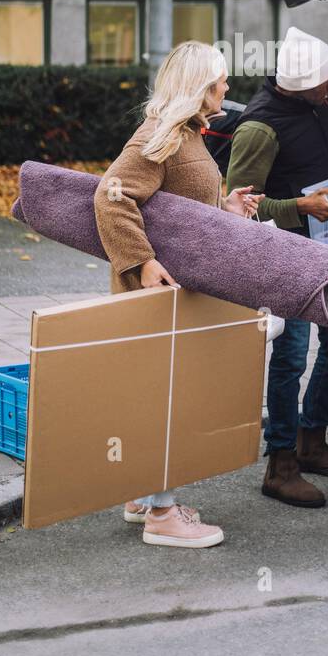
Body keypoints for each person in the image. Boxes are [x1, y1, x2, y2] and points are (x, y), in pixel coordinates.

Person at [93, 41, 262, 549]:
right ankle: (164, 516)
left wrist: (223, 206)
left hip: (177, 292)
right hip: (160, 292)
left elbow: (175, 206)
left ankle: (143, 496)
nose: (228, 88)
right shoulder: (161, 134)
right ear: (201, 86)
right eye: (222, 80)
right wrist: (141, 263)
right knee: (170, 399)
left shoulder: (186, 134)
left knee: (157, 394)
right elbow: (111, 196)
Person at [226, 26, 328, 510]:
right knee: (292, 357)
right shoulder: (259, 129)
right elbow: (242, 208)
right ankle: (280, 465)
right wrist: (302, 206)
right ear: (299, 86)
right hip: (286, 254)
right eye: (325, 84)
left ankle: (312, 440)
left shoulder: (319, 103)